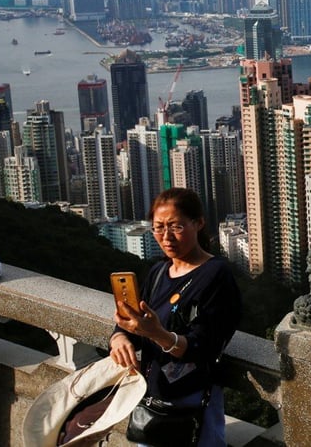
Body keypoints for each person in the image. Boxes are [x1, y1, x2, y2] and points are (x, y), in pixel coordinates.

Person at [109, 188, 241, 447]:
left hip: (192, 406)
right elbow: (133, 321)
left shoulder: (216, 275)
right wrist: (119, 337)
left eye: (176, 226)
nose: (166, 237)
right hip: (151, 403)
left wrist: (157, 333)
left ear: (199, 223)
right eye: (158, 228)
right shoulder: (159, 271)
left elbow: (205, 346)